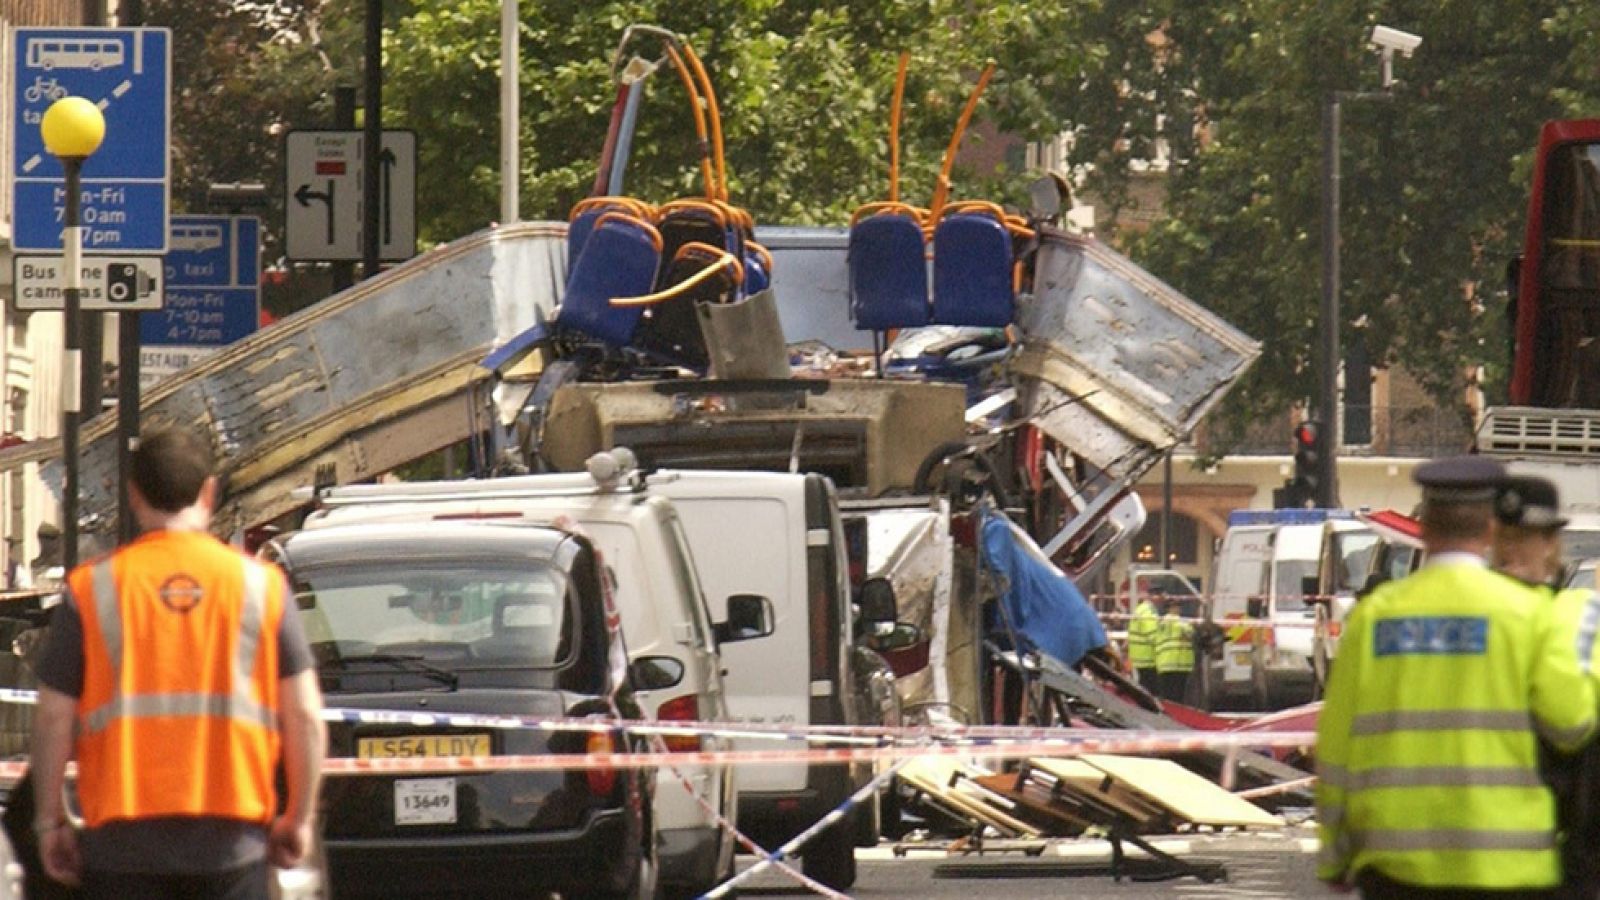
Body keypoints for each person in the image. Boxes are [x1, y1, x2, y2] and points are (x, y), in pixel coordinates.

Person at [28, 427, 326, 898]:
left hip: (122, 849)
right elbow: (305, 715)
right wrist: (299, 817)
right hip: (232, 844)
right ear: (209, 491)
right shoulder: (261, 586)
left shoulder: (92, 590)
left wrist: (49, 822)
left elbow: (52, 717)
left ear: (133, 493)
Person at [1317, 456, 1598, 898]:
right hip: (1511, 866)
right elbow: (1571, 724)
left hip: (1397, 868)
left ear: (1423, 529)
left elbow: (1335, 751)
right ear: (1489, 528)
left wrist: (1335, 854)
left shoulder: (1374, 619)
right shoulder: (1530, 615)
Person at [1493, 474, 1600, 900]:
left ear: (1552, 546)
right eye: (1506, 536)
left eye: (1528, 537)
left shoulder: (1579, 612)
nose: (1514, 548)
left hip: (1558, 837)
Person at [1153, 592, 1194, 704]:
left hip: (1164, 665)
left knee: (1166, 699)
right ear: (1172, 608)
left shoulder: (1160, 623)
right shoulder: (1181, 623)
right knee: (1178, 699)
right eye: (1177, 606)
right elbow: (1192, 634)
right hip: (1179, 665)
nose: (1179, 609)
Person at [1127, 587, 1160, 693]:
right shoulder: (1148, 611)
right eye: (1161, 596)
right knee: (1149, 688)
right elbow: (1153, 634)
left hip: (1140, 656)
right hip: (1147, 657)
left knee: (1144, 686)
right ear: (1154, 596)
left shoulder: (1141, 608)